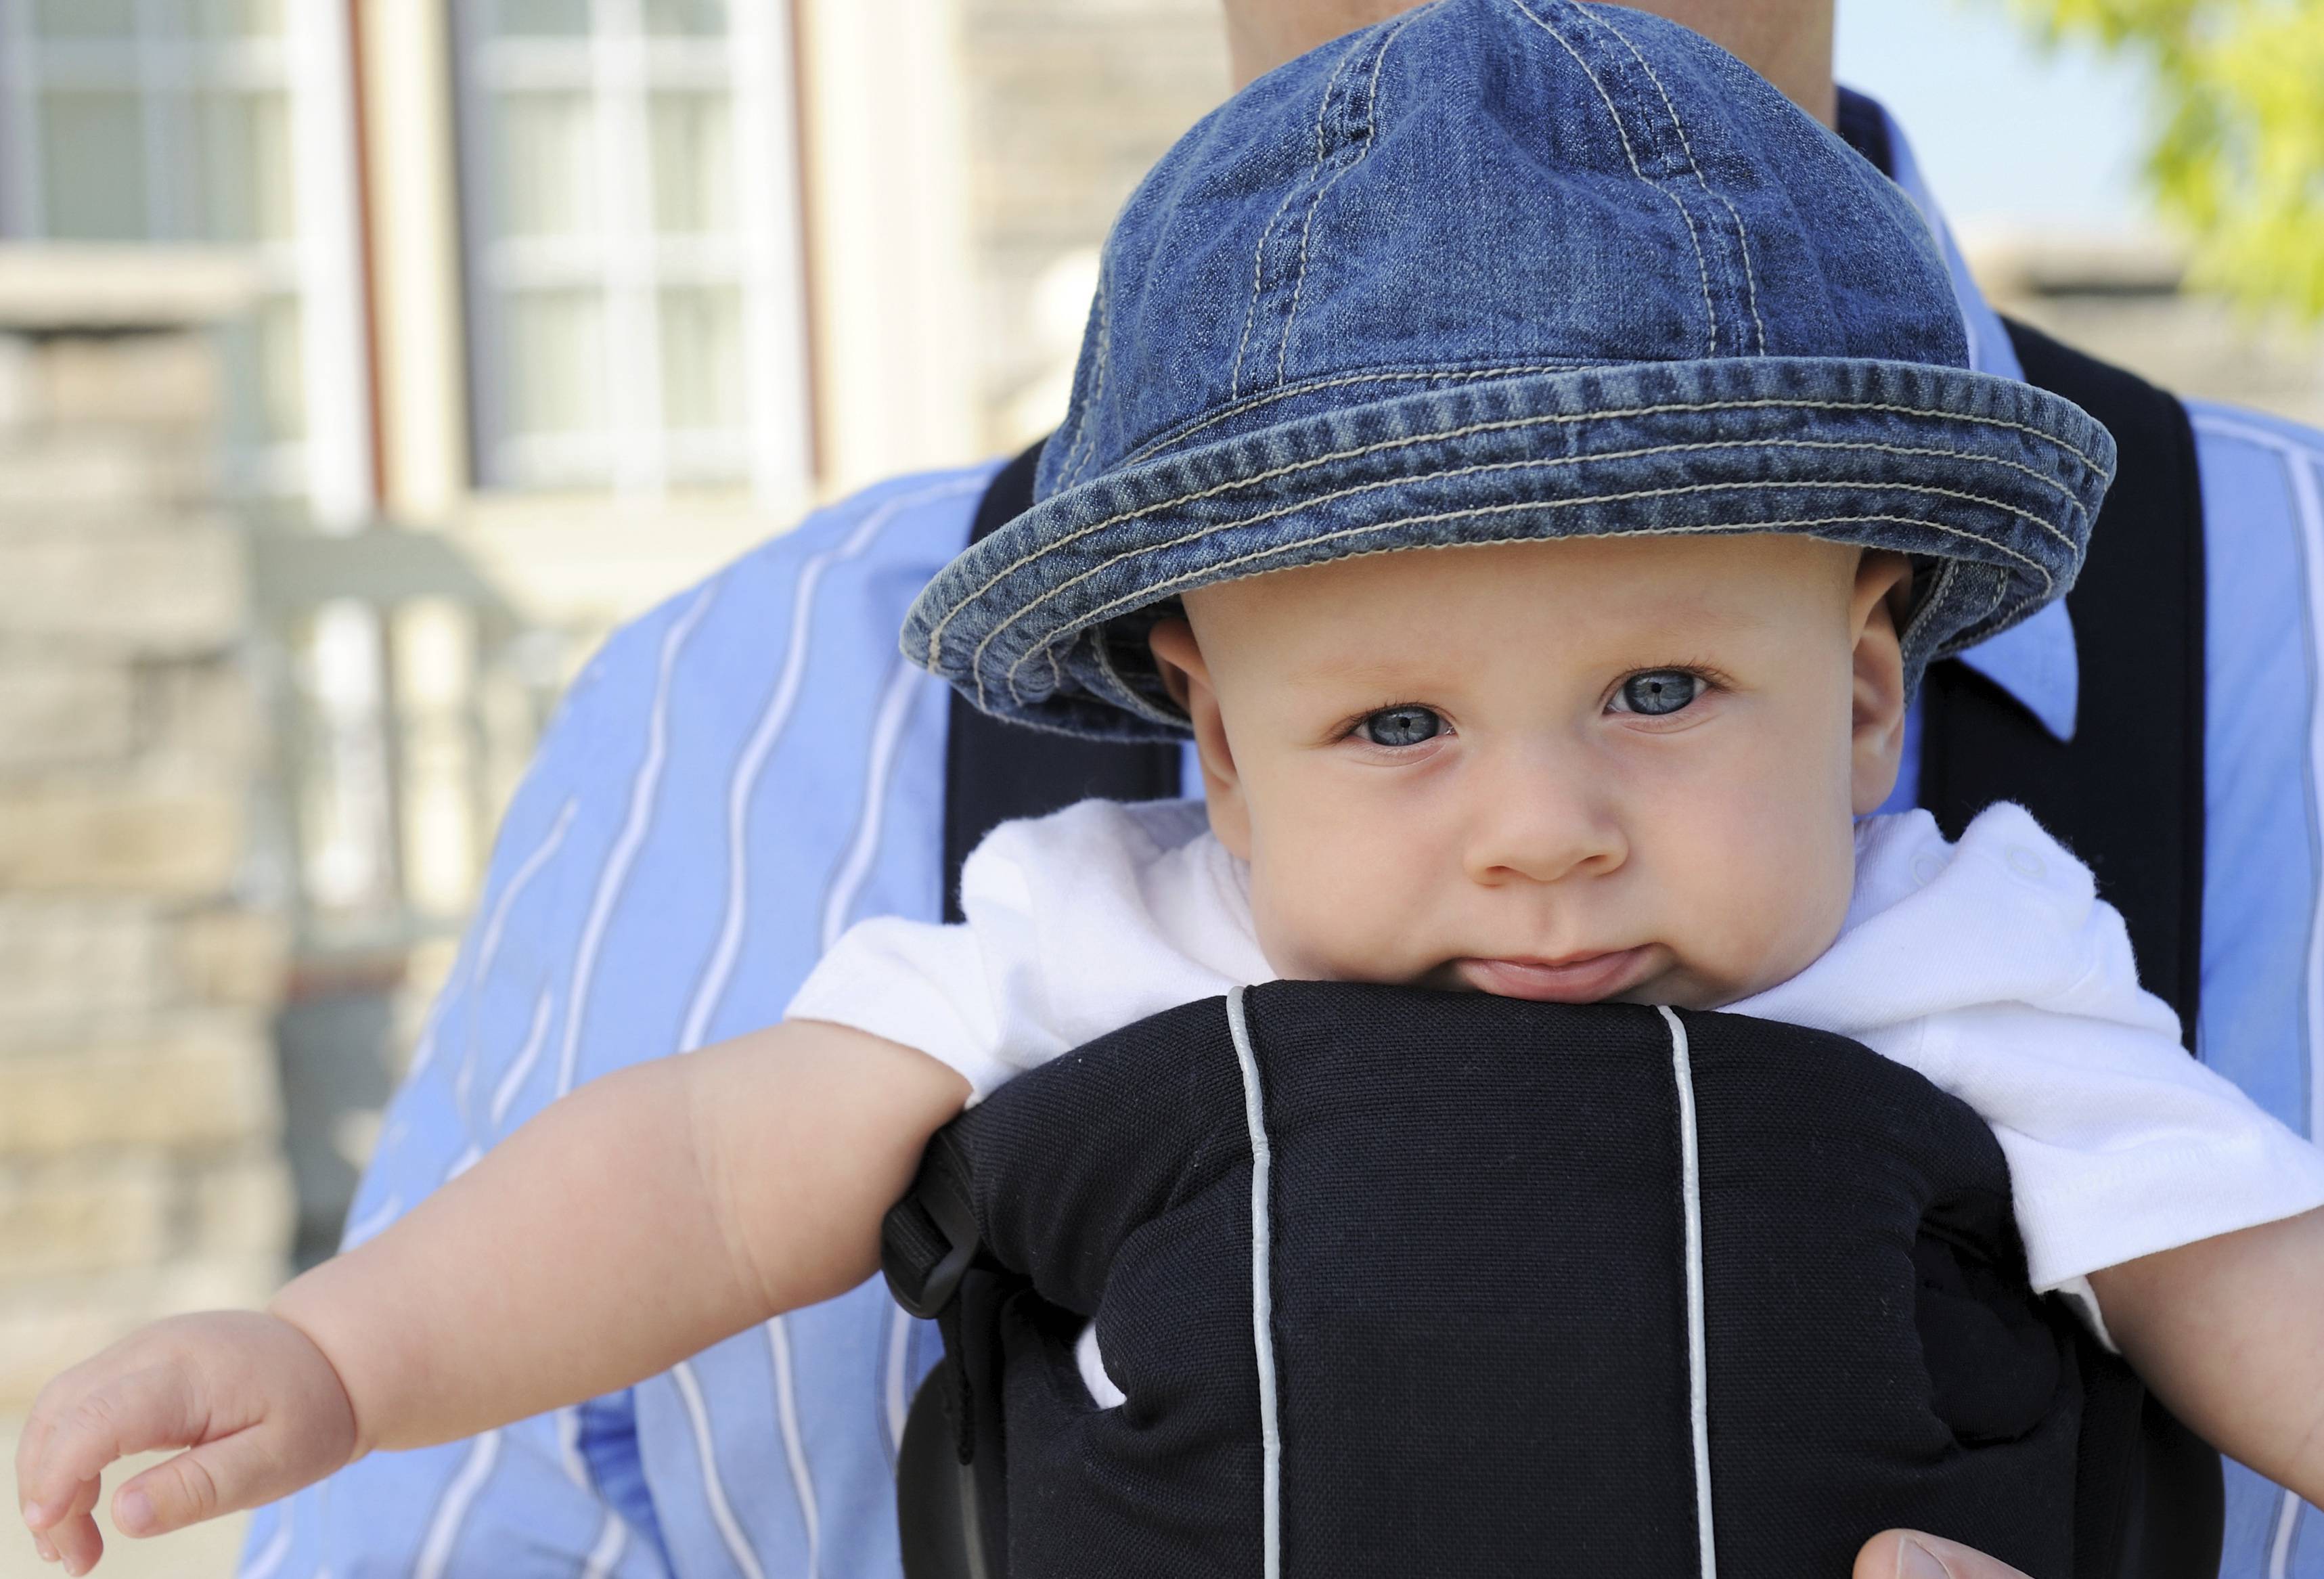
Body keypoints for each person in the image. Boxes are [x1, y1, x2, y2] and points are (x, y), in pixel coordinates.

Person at [14, 5, 2324, 1578]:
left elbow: (2245, 1289)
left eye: (1654, 688)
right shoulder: (1105, 924)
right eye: (1393, 729)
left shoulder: (1968, 957)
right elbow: (715, 1176)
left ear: (1855, 695)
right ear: (1207, 745)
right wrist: (342, 1353)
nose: (1538, 828)